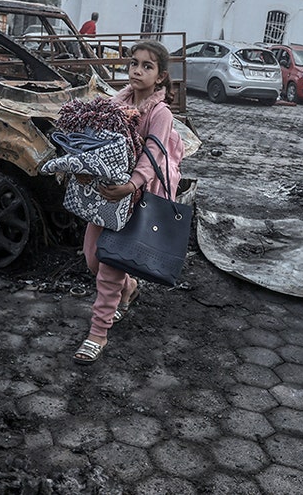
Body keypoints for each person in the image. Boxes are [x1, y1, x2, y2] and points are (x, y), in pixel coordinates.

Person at [74, 39, 184, 365]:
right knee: (93, 258)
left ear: (161, 76)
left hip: (138, 195)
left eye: (147, 66)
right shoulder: (116, 101)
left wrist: (131, 185)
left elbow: (151, 156)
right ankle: (129, 287)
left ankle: (98, 333)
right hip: (108, 193)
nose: (137, 70)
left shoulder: (160, 113)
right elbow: (99, 145)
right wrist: (84, 169)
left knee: (109, 266)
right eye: (134, 63)